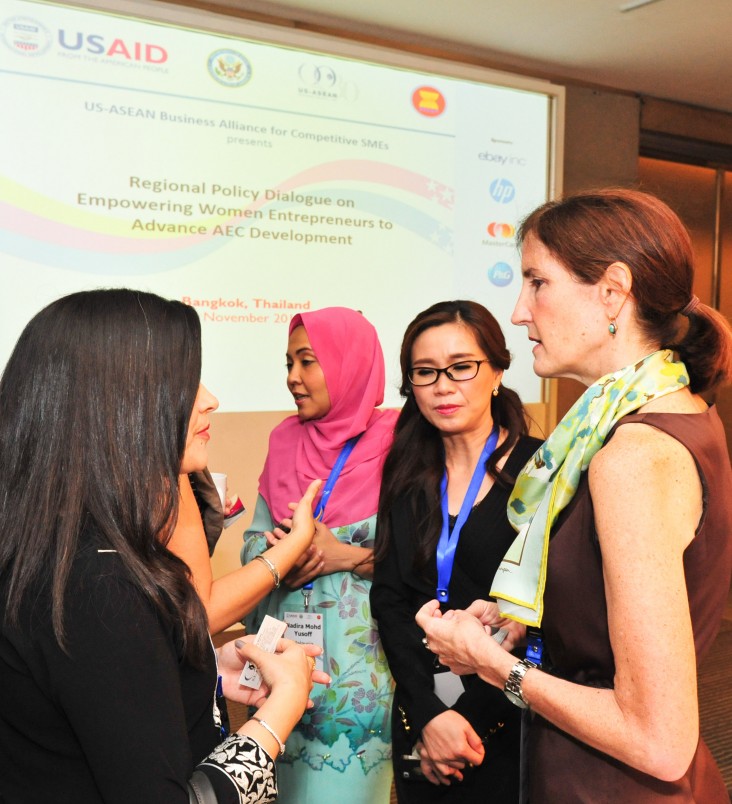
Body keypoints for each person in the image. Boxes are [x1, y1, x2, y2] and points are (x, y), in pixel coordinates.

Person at [417, 189, 732, 803]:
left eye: (537, 282)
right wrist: (515, 622)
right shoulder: (673, 411)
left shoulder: (632, 455)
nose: (518, 311)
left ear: (613, 292)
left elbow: (659, 741)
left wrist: (492, 666)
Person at [0, 289, 328, 803]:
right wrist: (279, 711)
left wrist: (191, 675)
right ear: (116, 404)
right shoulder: (101, 589)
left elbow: (95, 699)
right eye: (184, 382)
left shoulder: (61, 555)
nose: (210, 399)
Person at [371, 300, 542, 803]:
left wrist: (463, 725)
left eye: (461, 367)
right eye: (425, 372)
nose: (443, 385)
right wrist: (430, 716)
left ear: (497, 371)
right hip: (421, 715)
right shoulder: (406, 471)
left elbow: (544, 621)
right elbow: (390, 598)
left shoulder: (541, 471)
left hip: (508, 719)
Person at [242, 307, 397, 804]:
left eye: (307, 362)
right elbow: (251, 542)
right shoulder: (283, 440)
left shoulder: (399, 443)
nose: (293, 377)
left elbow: (424, 564)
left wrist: (342, 554)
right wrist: (276, 552)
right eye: (288, 362)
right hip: (280, 676)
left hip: (360, 691)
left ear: (349, 365)